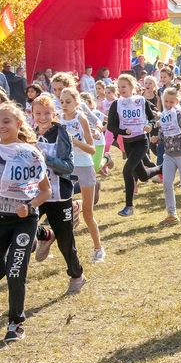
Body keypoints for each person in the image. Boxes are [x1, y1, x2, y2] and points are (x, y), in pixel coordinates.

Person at [0, 102, 50, 343]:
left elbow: (45, 190)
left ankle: (16, 323)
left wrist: (30, 206)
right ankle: (28, 246)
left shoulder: (30, 154)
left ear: (18, 124)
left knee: (15, 272)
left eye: (6, 121)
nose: (1, 126)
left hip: (24, 221)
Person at [30, 93, 87, 294]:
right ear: (32, 114)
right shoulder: (29, 134)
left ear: (54, 114)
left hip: (59, 194)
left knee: (65, 240)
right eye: (38, 113)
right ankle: (45, 234)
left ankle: (77, 276)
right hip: (35, 193)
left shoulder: (61, 134)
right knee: (23, 226)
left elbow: (68, 167)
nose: (42, 117)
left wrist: (45, 158)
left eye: (47, 113)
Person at [106, 74, 162, 216]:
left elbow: (151, 118)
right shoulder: (116, 104)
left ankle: (129, 207)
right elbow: (110, 126)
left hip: (142, 141)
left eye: (123, 86)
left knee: (127, 169)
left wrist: (149, 125)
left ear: (132, 87)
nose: (120, 89)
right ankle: (162, 168)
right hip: (127, 142)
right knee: (143, 176)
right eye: (118, 87)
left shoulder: (141, 101)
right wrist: (122, 131)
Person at [60, 87, 105, 262]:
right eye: (62, 101)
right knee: (61, 212)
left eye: (68, 102)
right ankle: (67, 252)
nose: (64, 105)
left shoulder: (81, 118)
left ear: (76, 103)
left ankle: (98, 249)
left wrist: (74, 141)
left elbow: (91, 148)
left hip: (84, 166)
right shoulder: (58, 120)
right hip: (66, 167)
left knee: (88, 213)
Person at [157, 87, 181, 225]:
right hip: (169, 154)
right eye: (166, 101)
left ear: (177, 101)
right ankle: (171, 213)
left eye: (171, 102)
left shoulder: (180, 114)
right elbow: (163, 132)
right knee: (167, 182)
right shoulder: (163, 115)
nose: (168, 104)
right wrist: (157, 137)